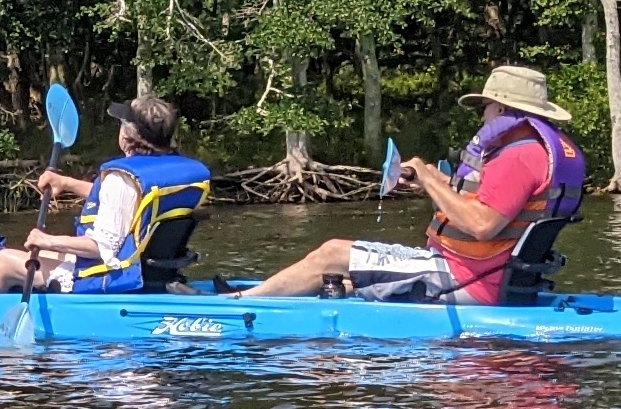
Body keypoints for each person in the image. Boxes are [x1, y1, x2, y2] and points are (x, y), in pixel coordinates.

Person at [240, 62, 587, 303]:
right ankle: (305, 291)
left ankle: (238, 304)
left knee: (331, 253)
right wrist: (434, 183)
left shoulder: (516, 157)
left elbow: (482, 225)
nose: (483, 116)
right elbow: (493, 209)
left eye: (486, 107)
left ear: (501, 108)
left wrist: (423, 171)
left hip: (467, 279)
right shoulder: (538, 151)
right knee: (341, 278)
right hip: (492, 278)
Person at [0, 96, 211, 292]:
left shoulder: (122, 179)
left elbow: (101, 247)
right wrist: (66, 182)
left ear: (126, 137)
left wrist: (47, 239)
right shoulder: (169, 172)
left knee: (2, 260)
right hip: (152, 273)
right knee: (41, 253)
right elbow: (122, 205)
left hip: (111, 276)